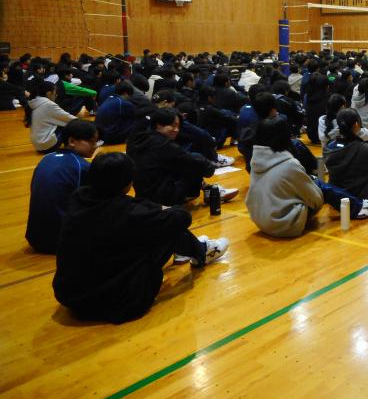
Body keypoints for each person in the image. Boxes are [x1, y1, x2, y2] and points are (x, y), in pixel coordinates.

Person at [53, 152, 229, 324]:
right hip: (116, 304)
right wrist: (164, 209)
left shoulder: (79, 197)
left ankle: (196, 249)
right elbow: (183, 217)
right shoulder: (130, 213)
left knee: (152, 226)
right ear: (128, 183)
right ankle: (201, 251)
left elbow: (132, 206)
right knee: (168, 228)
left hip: (70, 297)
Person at [246, 118, 368, 237]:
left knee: (312, 181)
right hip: (284, 224)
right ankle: (358, 207)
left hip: (259, 219)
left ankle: (356, 205)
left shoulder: (256, 160)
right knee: (321, 186)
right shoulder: (289, 164)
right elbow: (316, 198)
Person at [126, 108, 236, 207]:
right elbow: (201, 165)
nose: (176, 130)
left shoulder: (137, 140)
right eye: (172, 125)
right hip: (163, 197)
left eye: (178, 126)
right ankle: (210, 191)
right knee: (195, 159)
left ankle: (208, 189)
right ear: (159, 125)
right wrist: (210, 167)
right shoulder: (163, 145)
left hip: (143, 195)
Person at [26, 119, 98, 254]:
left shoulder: (46, 158)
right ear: (72, 141)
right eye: (91, 141)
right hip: (61, 242)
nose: (95, 146)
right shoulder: (81, 166)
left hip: (34, 237)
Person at [324, 108, 368, 201]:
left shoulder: (328, 147)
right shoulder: (364, 148)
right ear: (356, 125)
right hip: (360, 196)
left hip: (336, 195)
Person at [28, 81, 76, 153]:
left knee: (62, 123)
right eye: (55, 93)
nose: (56, 95)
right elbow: (70, 119)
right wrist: (88, 124)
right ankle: (71, 149)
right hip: (48, 146)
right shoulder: (48, 104)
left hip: (38, 146)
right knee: (71, 125)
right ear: (49, 93)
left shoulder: (35, 103)